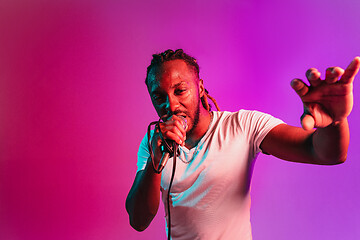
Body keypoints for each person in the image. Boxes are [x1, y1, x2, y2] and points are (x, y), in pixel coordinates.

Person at [125, 49, 360, 240]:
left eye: (180, 91)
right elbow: (138, 220)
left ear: (199, 87)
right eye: (159, 97)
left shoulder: (243, 125)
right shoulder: (153, 143)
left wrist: (334, 122)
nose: (172, 104)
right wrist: (155, 163)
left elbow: (323, 153)